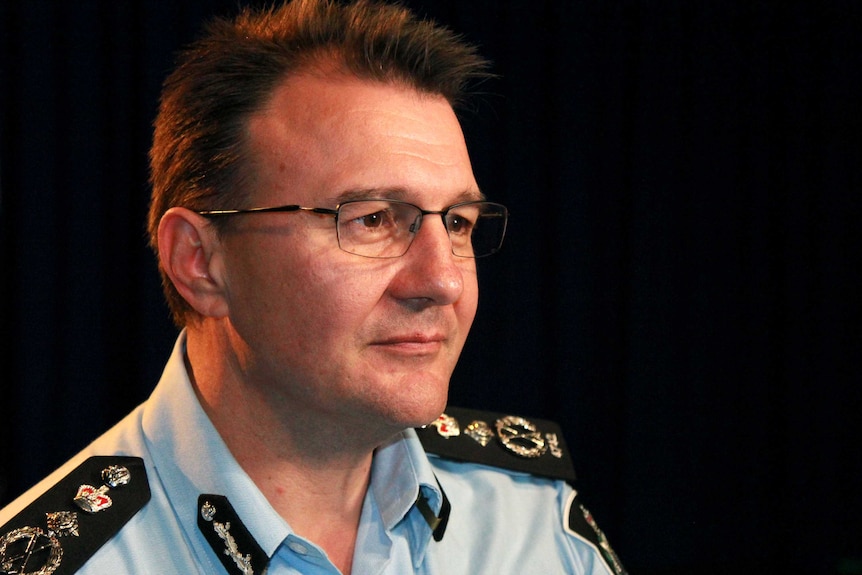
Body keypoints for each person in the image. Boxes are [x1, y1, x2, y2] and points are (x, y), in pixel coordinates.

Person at [0, 1, 626, 573]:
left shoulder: (530, 525)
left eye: (457, 222)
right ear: (200, 262)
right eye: (373, 219)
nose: (442, 281)